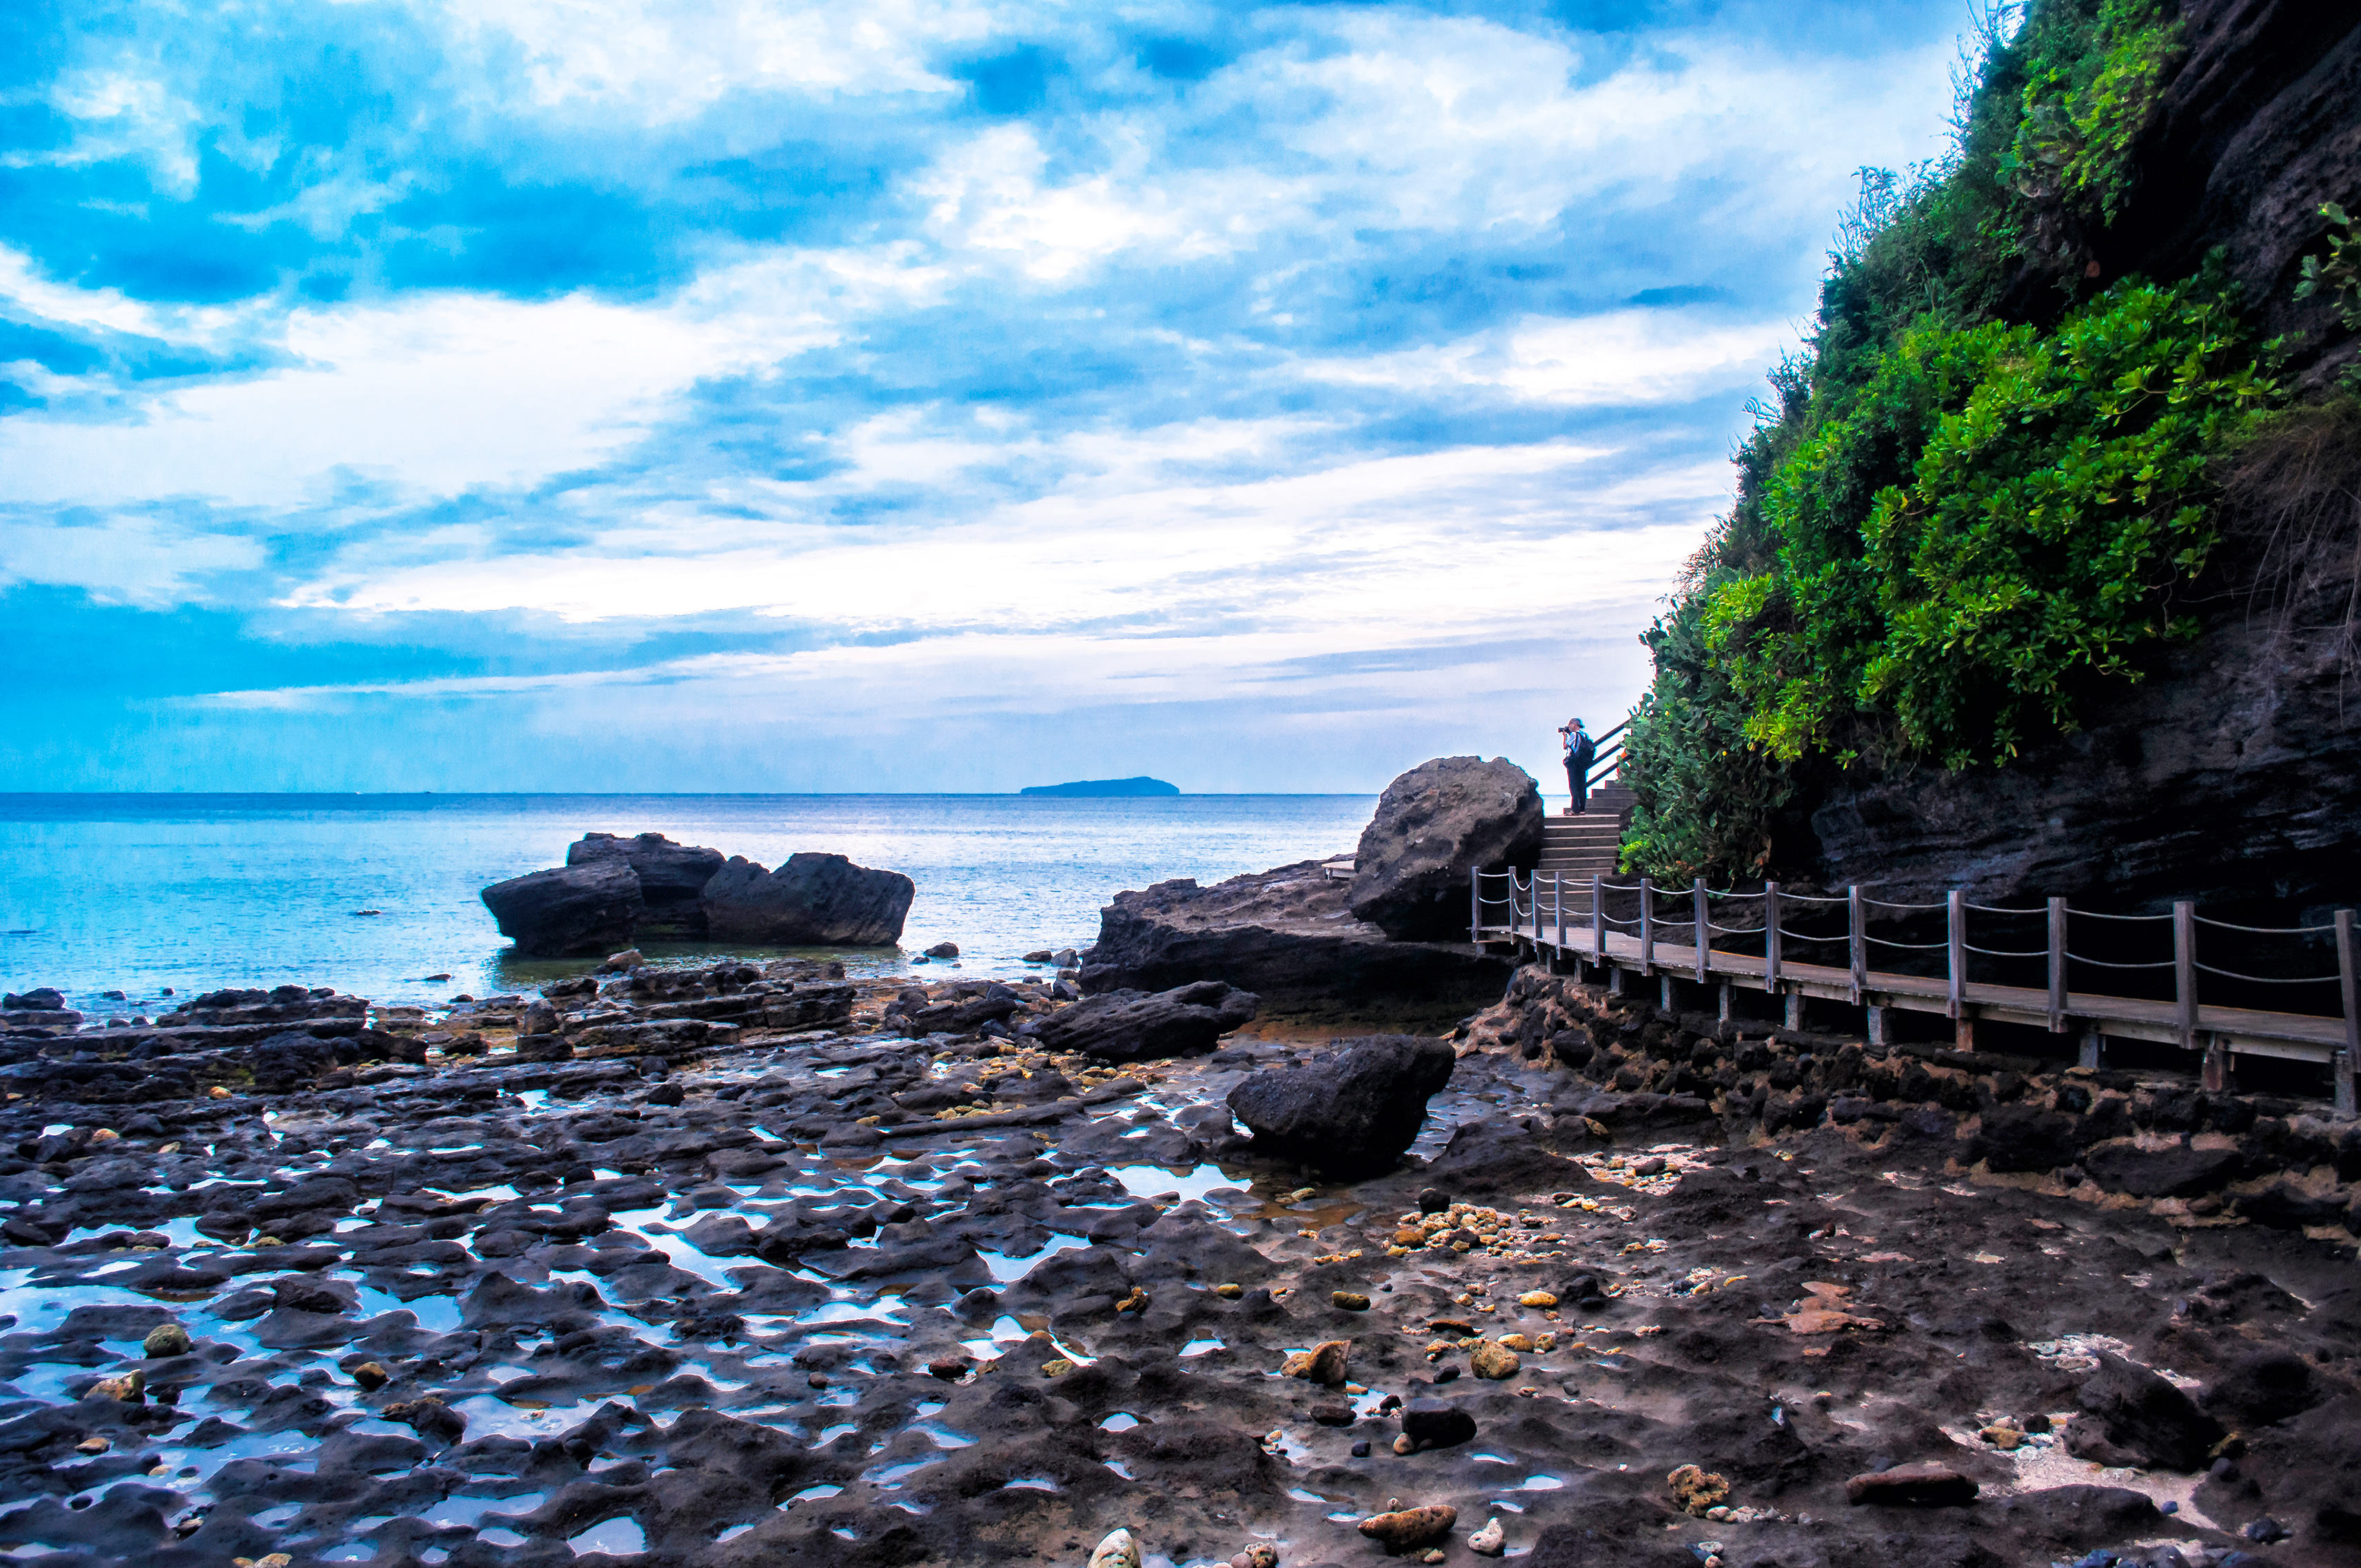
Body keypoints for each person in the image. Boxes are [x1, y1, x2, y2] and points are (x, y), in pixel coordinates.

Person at [1559, 717, 1594, 814]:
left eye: (1570, 725)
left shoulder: (1574, 735)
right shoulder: (1584, 735)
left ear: (1574, 725)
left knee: (1574, 786)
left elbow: (1565, 746)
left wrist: (1565, 736)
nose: (1569, 727)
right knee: (1581, 785)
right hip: (1582, 763)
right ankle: (1582, 809)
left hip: (1574, 763)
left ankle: (1575, 809)